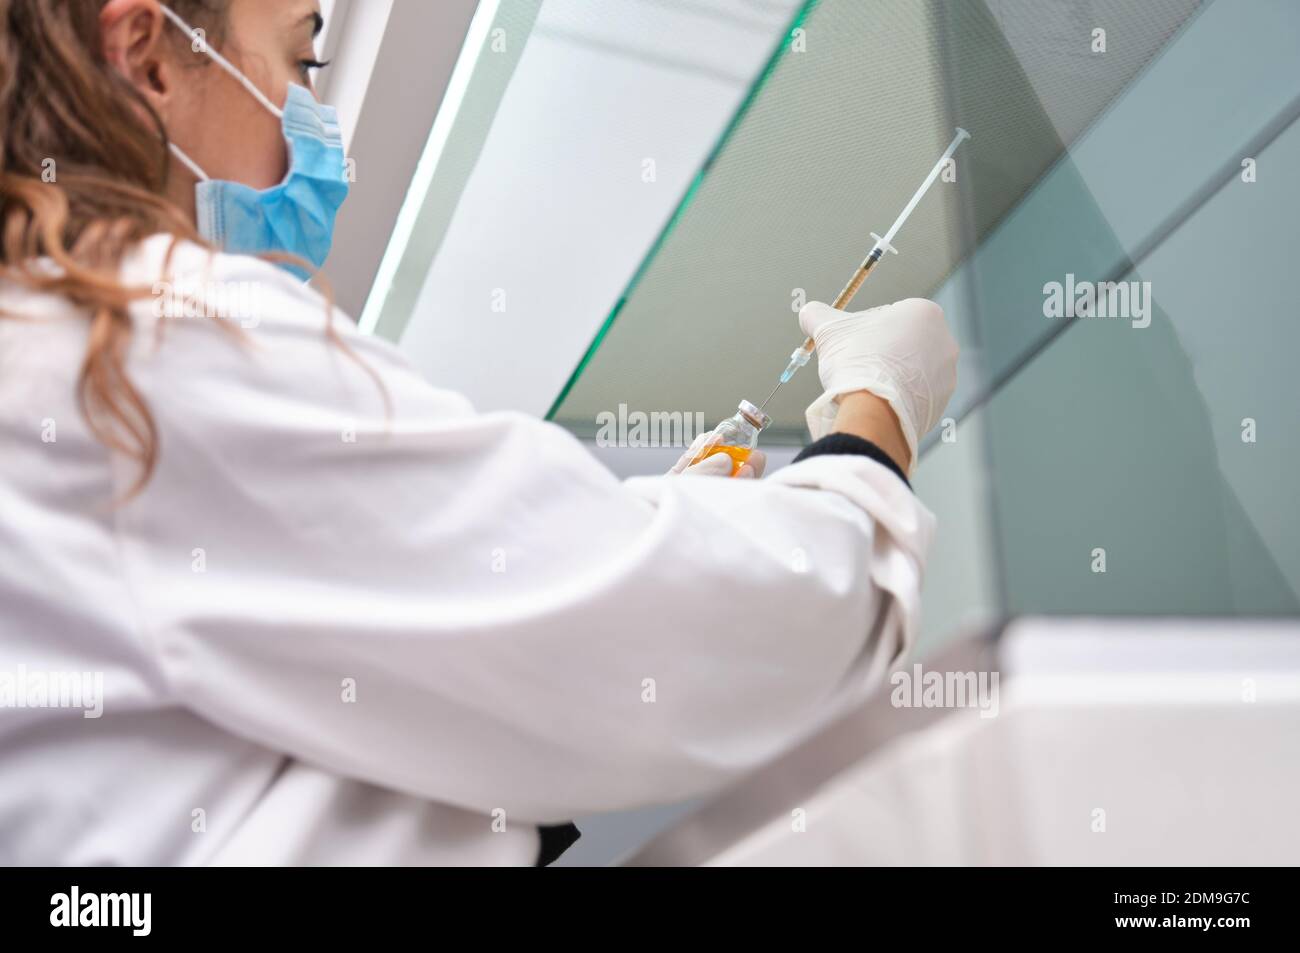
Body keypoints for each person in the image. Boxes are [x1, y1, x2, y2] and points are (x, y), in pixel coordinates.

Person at [0, 0, 958, 865]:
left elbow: (361, 769)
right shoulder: (142, 340)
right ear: (149, 57)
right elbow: (705, 637)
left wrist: (632, 545)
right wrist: (872, 427)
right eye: (302, 64)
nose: (309, 137)